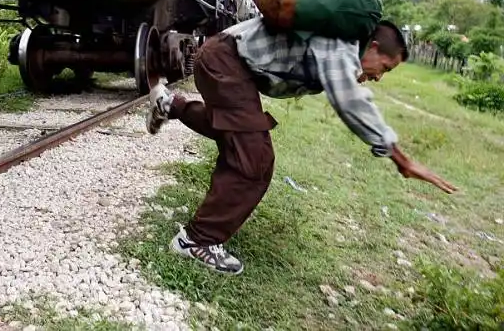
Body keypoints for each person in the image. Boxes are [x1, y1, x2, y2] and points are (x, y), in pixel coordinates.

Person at [145, 16, 458, 274]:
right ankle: (196, 241)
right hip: (223, 61)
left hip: (221, 58)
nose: (379, 77)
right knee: (255, 161)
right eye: (385, 68)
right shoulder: (341, 47)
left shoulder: (340, 43)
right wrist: (401, 158)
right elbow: (351, 102)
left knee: (234, 129)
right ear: (373, 48)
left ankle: (170, 104)